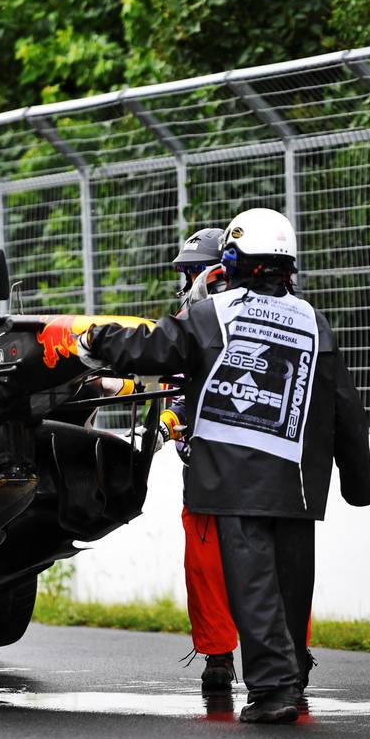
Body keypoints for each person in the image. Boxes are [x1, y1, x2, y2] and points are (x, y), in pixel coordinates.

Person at [79, 208, 370, 724]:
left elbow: (154, 348)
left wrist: (95, 339)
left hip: (235, 478)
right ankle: (290, 676)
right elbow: (346, 407)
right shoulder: (313, 319)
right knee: (290, 583)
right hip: (298, 483)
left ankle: (273, 690)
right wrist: (358, 482)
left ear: (233, 260)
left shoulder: (214, 313)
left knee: (254, 586)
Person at [157, 227, 239, 694]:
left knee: (271, 565)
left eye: (190, 271)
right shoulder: (188, 317)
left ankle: (288, 654)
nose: (185, 280)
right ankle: (218, 656)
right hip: (204, 469)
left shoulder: (247, 318)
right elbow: (177, 389)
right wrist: (168, 418)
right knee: (204, 566)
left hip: (250, 465)